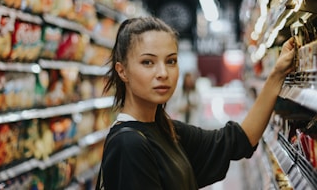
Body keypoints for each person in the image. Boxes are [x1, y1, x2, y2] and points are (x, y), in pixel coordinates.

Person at [96, 16, 295, 190]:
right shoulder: (129, 144)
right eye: (148, 62)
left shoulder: (166, 130)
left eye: (171, 61)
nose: (163, 73)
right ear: (122, 71)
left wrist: (277, 74)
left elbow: (238, 141)